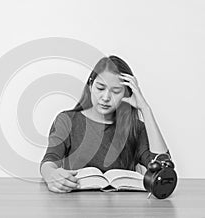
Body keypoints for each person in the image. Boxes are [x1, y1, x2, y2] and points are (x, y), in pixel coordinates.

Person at [40, 56, 171, 193]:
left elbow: (163, 167)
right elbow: (50, 160)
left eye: (115, 92)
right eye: (100, 88)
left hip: (122, 208)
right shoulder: (67, 120)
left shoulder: (135, 128)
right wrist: (51, 175)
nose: (106, 97)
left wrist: (145, 109)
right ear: (90, 85)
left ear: (126, 94)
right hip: (76, 205)